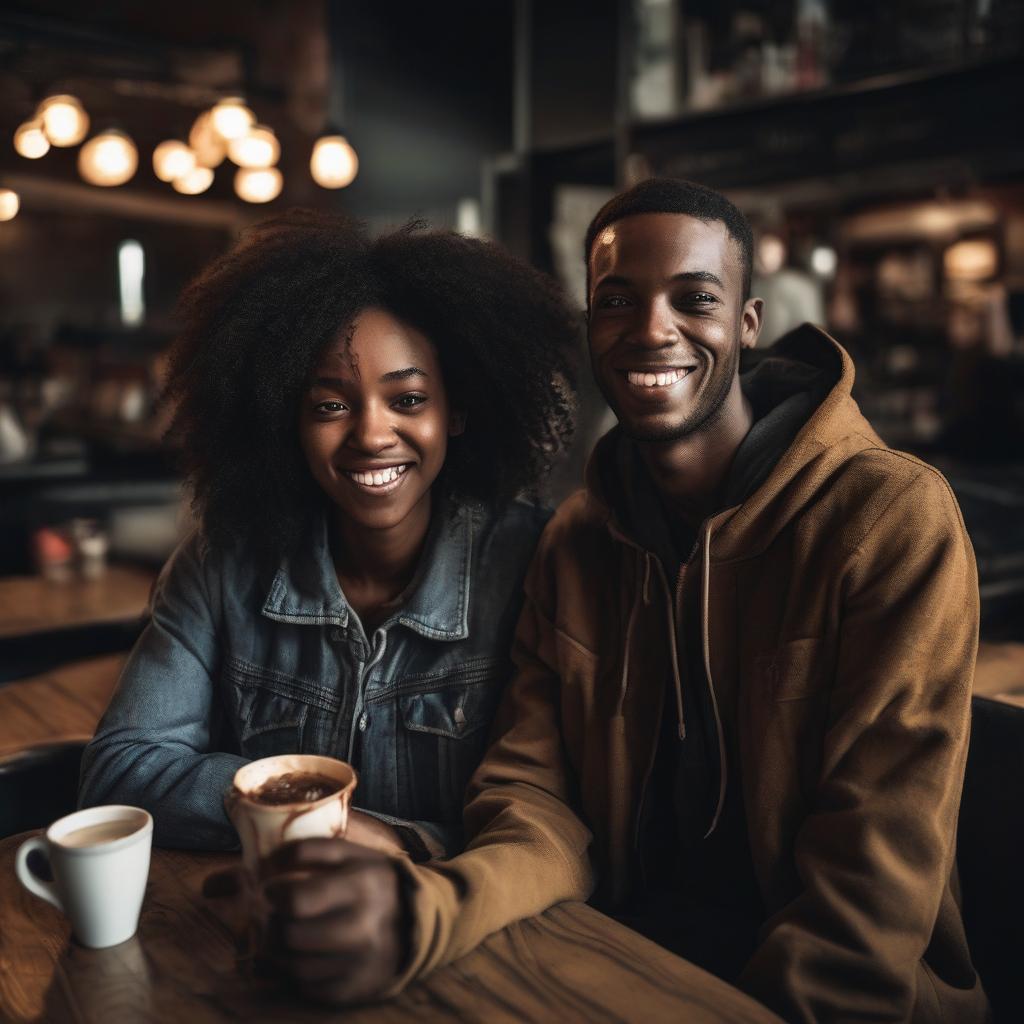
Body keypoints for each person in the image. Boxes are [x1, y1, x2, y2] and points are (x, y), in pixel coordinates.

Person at [196, 180, 988, 1023]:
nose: (652, 328)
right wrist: (418, 915)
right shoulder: (577, 539)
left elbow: (872, 882)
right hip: (620, 959)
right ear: (590, 325)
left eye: (694, 299)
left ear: (746, 325)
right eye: (618, 300)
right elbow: (535, 801)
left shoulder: (888, 518)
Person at [78, 210, 578, 866]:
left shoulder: (533, 566)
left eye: (407, 401)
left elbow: (553, 819)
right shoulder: (220, 566)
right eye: (331, 406)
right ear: (286, 418)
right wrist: (316, 820)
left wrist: (397, 843)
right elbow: (119, 772)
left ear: (456, 411)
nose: (371, 434)